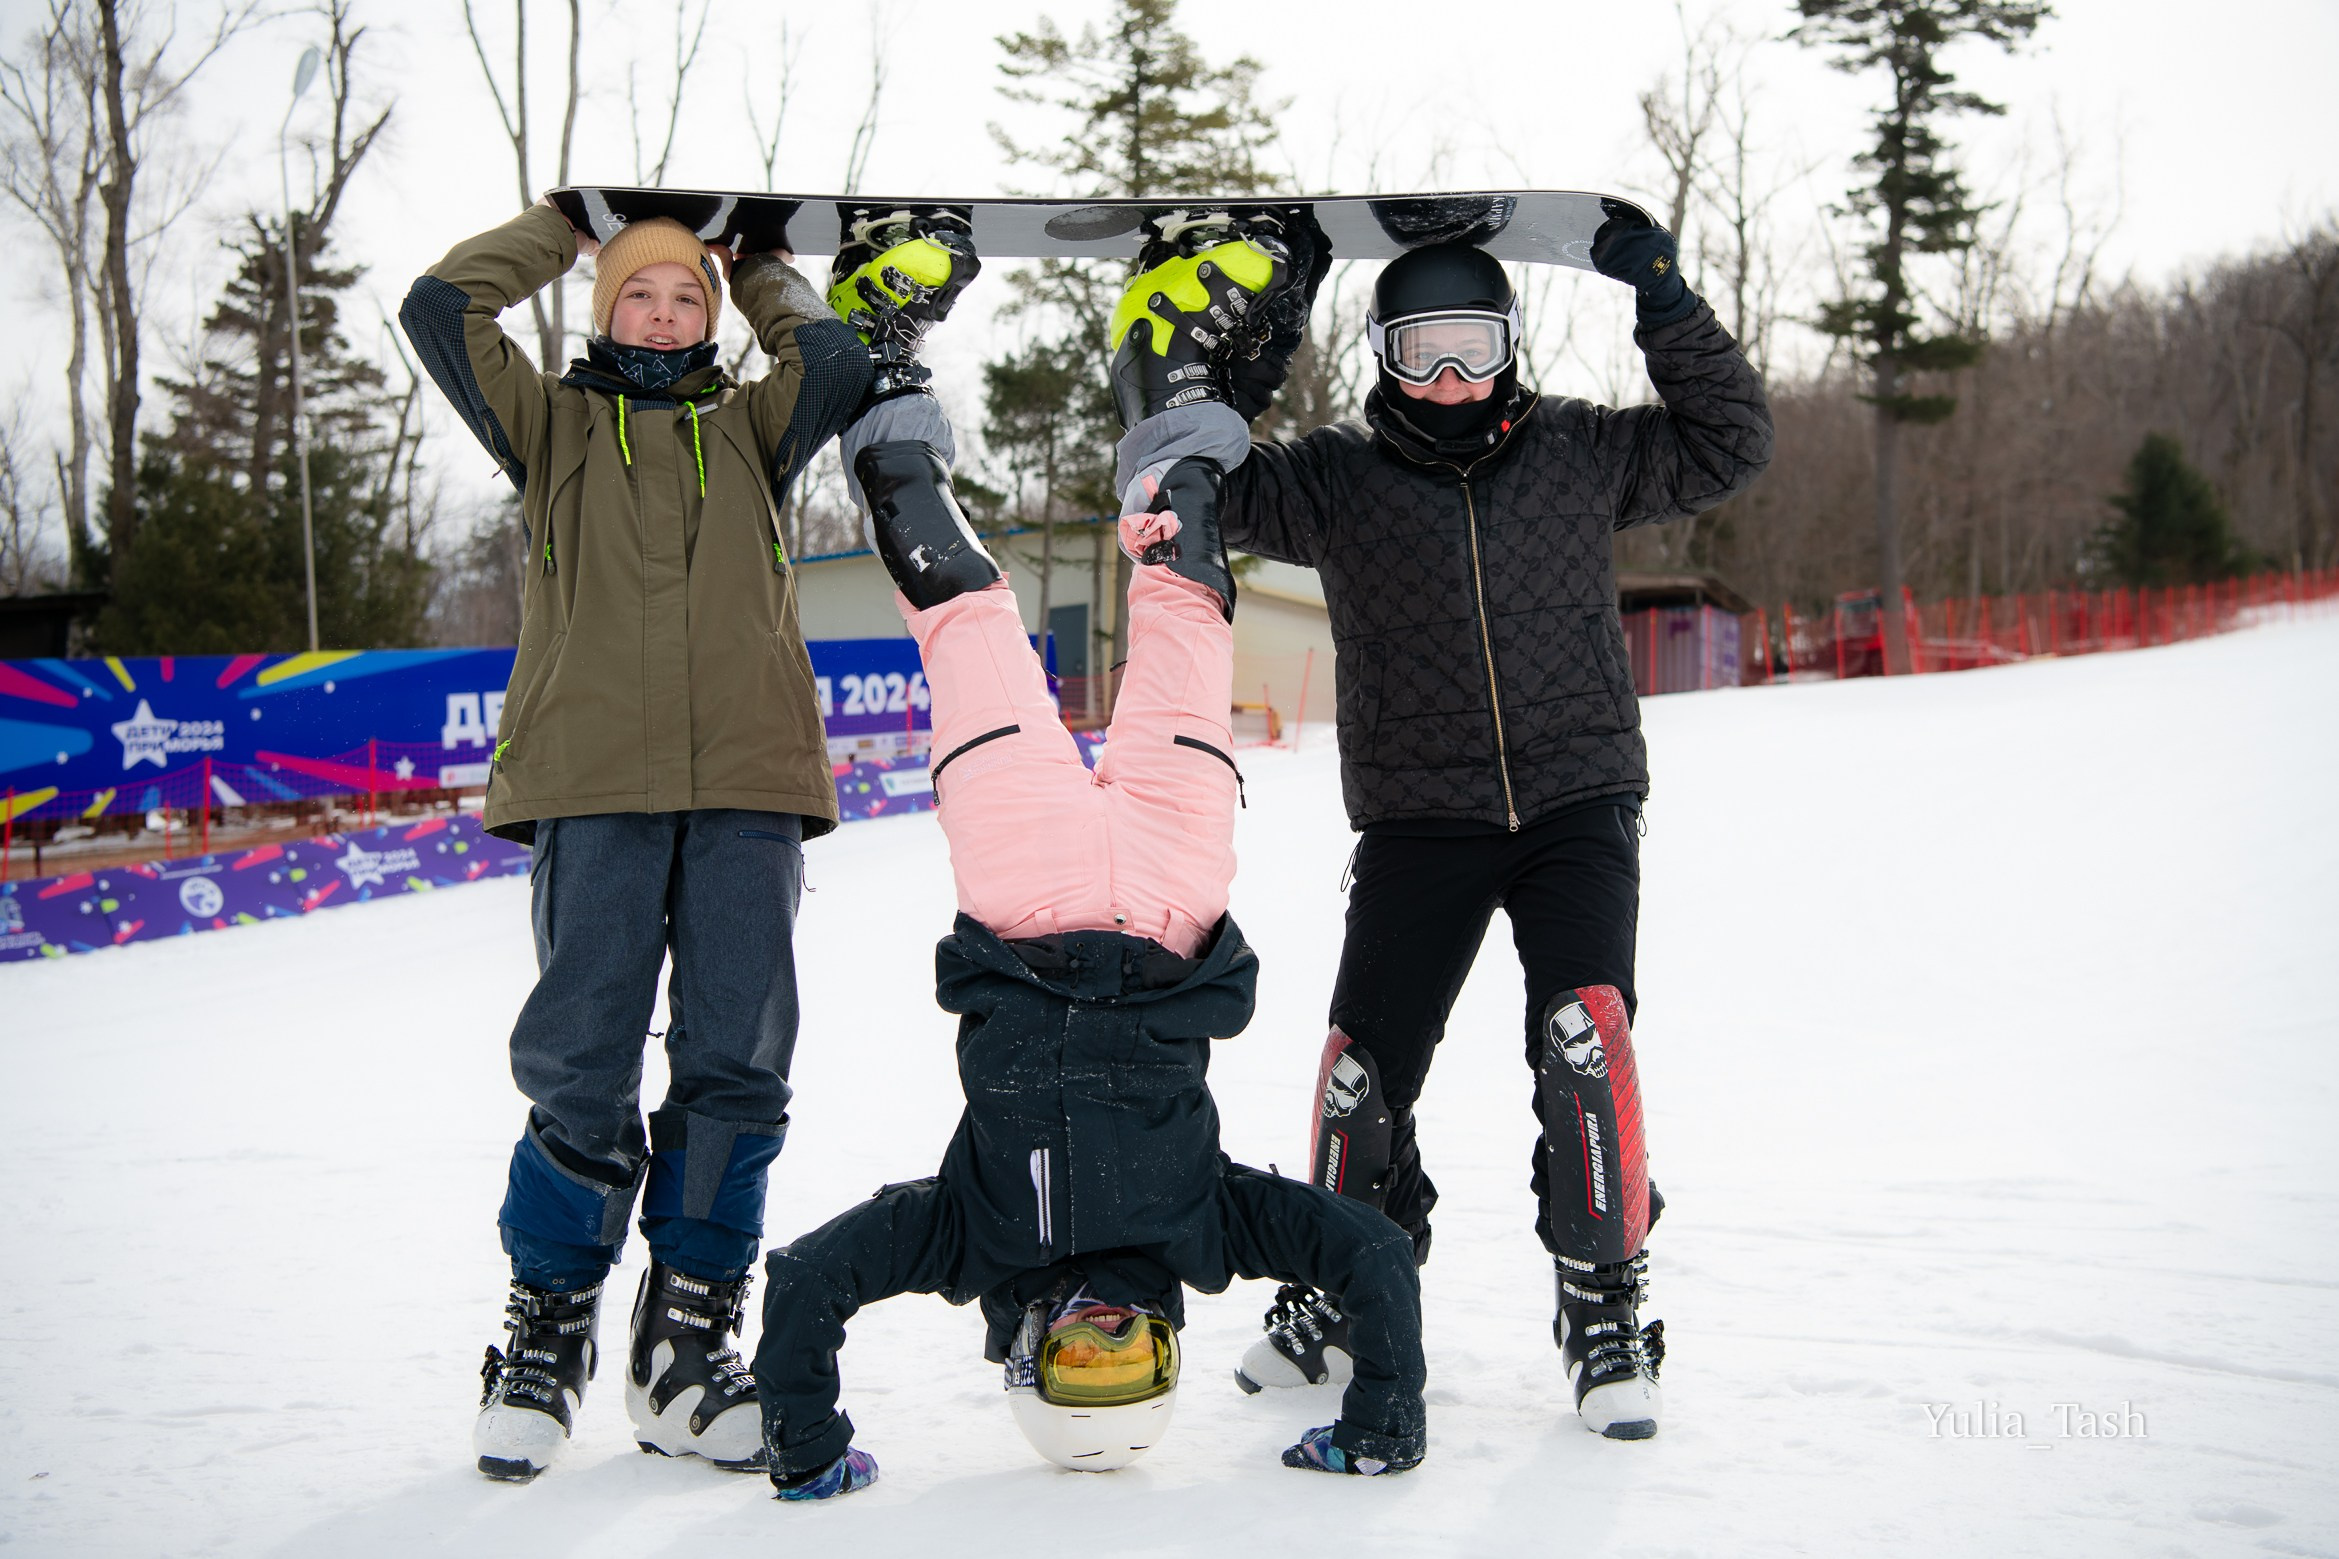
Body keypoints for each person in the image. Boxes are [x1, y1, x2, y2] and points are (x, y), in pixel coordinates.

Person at [747, 216, 1428, 1501]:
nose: (1101, 1333)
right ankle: (1162, 366)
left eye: (1078, 1364)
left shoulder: (963, 1238)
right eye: (1130, 1361)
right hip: (1175, 895)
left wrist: (804, 1436)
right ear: (1169, 1345)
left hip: (1026, 889)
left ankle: (880, 359)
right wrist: (1385, 1412)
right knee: (1188, 606)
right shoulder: (1214, 1230)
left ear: (1023, 1359)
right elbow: (1369, 1255)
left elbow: (807, 1280)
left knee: (965, 617)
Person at [1111, 209, 1773, 1439]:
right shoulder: (1333, 481)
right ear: (1383, 357)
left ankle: (1602, 1296)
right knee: (1357, 1078)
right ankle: (1352, 1281)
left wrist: (1667, 304)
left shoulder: (1582, 450)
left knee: (1585, 1042)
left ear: (1513, 344)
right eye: (1424, 352)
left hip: (1575, 800)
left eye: (1473, 346)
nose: (1452, 379)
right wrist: (1246, 339)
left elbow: (1730, 443)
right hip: (1419, 817)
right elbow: (1184, 478)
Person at [399, 203, 872, 1480]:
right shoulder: (546, 423)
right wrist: (560, 229)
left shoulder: (750, 423)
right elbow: (441, 310)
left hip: (746, 778)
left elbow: (830, 360)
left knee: (736, 1059)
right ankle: (547, 1331)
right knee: (581, 1053)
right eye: (638, 293)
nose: (662, 315)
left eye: (684, 298)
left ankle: (687, 1343)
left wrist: (761, 264)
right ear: (600, 307)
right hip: (593, 775)